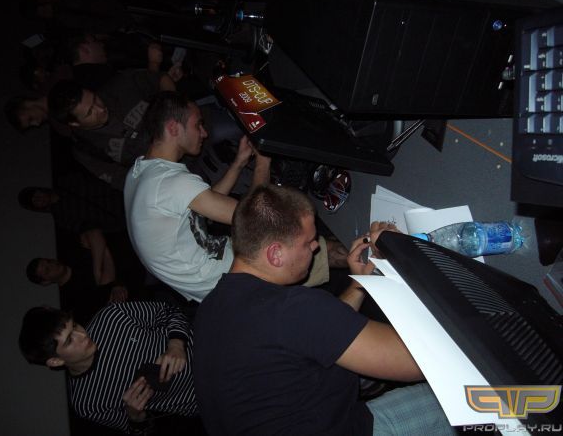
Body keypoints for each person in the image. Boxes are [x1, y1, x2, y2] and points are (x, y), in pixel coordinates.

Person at [193, 185, 456, 435]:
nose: (316, 246)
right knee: (462, 390)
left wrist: (360, 284)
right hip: (346, 429)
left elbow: (318, 332)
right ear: (275, 254)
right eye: (308, 242)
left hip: (299, 407)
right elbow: (425, 359)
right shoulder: (291, 309)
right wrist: (402, 259)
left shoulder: (211, 307)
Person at [124, 91, 274, 303]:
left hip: (214, 284)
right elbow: (255, 215)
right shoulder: (169, 182)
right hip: (233, 280)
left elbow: (206, 203)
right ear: (173, 128)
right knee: (305, 241)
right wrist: (263, 162)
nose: (204, 133)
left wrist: (239, 162)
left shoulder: (139, 171)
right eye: (197, 125)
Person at [18, 301, 199, 434]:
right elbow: (140, 431)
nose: (82, 334)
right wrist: (135, 416)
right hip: (203, 399)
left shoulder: (110, 316)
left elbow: (170, 311)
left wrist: (176, 344)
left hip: (209, 347)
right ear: (56, 361)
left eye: (75, 326)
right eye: (69, 340)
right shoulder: (86, 404)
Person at [47, 69, 174, 167]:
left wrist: (174, 113)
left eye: (95, 98)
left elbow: (160, 78)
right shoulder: (85, 149)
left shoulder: (120, 86)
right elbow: (122, 180)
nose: (100, 109)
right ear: (75, 123)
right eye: (90, 112)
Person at [26, 228, 128, 325]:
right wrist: (102, 250)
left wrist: (97, 271)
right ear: (46, 281)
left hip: (124, 252)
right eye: (47, 270)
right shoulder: (70, 299)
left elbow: (94, 233)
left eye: (48, 261)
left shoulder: (71, 252)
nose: (52, 264)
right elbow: (107, 286)